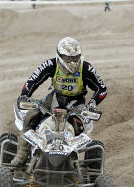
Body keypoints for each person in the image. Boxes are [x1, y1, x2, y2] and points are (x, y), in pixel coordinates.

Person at [10, 37, 108, 166]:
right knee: (30, 117)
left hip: (76, 103)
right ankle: (23, 153)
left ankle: (72, 159)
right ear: (60, 56)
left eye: (76, 57)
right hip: (54, 99)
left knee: (77, 125)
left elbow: (102, 89)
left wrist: (92, 103)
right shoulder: (52, 64)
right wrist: (24, 95)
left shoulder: (85, 68)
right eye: (68, 58)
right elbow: (32, 80)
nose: (72, 62)